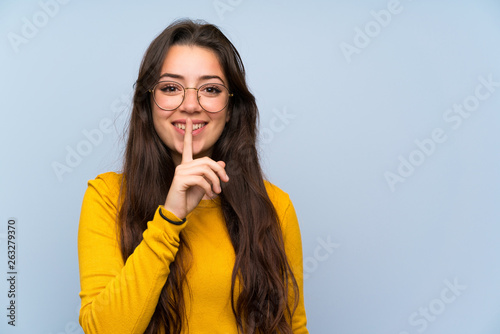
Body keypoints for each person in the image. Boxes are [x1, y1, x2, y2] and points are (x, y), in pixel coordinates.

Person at [78, 19, 308, 334]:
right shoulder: (106, 196)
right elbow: (105, 330)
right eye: (171, 88)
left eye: (210, 89)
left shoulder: (274, 206)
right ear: (148, 102)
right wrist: (171, 217)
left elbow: (292, 327)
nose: (189, 105)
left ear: (230, 107)